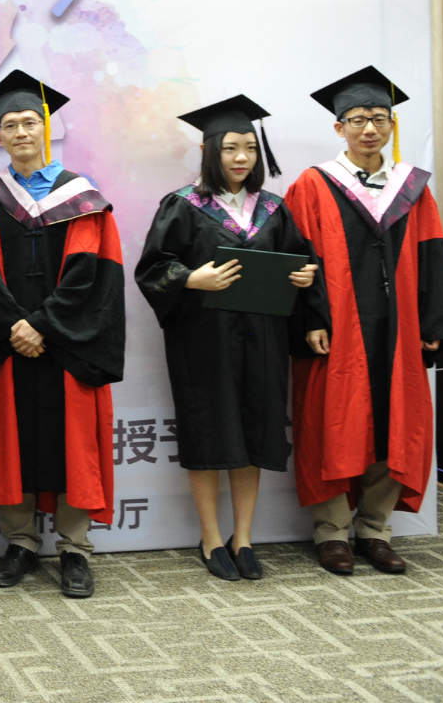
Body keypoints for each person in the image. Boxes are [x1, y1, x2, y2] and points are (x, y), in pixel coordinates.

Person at [285, 66, 443, 575]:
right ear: (339, 127)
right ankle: (331, 532)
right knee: (334, 422)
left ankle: (375, 530)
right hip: (337, 327)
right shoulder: (314, 185)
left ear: (391, 125)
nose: (370, 128)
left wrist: (434, 323)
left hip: (398, 326)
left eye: (379, 119)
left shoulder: (411, 188)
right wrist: (311, 318)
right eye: (358, 119)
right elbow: (298, 258)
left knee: (396, 421)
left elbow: (432, 255)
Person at [134, 95, 323, 581]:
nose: (242, 158)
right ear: (209, 151)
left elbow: (300, 264)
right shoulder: (182, 205)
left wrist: (305, 277)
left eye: (250, 148)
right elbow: (152, 268)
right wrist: (191, 279)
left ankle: (244, 537)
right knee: (209, 432)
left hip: (263, 341)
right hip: (203, 343)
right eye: (230, 148)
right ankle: (211, 537)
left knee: (253, 433)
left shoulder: (274, 209)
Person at [0, 69, 125, 599]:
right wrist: (15, 325)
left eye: (29, 122)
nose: (21, 132)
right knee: (11, 440)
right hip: (10, 343)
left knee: (74, 444)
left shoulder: (81, 196)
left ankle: (75, 548)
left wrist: (41, 325)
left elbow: (88, 273)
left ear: (46, 128)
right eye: (10, 125)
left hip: (67, 347)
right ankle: (20, 542)